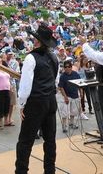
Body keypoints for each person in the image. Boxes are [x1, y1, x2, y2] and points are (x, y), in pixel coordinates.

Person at [15, 23, 59, 174]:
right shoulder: (54, 57)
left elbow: (26, 86)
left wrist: (21, 104)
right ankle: (50, 170)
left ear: (37, 41)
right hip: (50, 100)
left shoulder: (30, 58)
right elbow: (56, 80)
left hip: (35, 102)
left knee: (25, 141)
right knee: (50, 140)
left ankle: (21, 171)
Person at [58, 60, 81, 133]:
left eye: (69, 66)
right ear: (64, 68)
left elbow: (80, 83)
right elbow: (61, 87)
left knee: (74, 111)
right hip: (66, 95)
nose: (67, 68)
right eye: (65, 67)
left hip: (75, 95)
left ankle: (72, 123)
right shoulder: (62, 76)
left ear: (71, 67)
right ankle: (64, 125)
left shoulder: (76, 74)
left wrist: (81, 93)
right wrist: (65, 97)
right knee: (64, 112)